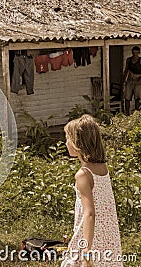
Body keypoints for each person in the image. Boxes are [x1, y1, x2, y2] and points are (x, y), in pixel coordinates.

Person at [61, 115, 122, 267]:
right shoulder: (102, 168)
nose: (66, 142)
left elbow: (89, 213)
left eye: (68, 138)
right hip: (108, 239)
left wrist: (86, 252)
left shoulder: (83, 174)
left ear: (77, 143)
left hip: (89, 239)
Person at [123, 46, 141, 115]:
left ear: (139, 52)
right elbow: (126, 71)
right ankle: (127, 113)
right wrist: (124, 81)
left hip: (138, 80)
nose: (135, 54)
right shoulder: (129, 60)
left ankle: (137, 114)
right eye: (134, 53)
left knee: (137, 98)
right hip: (130, 80)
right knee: (127, 97)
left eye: (136, 52)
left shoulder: (140, 60)